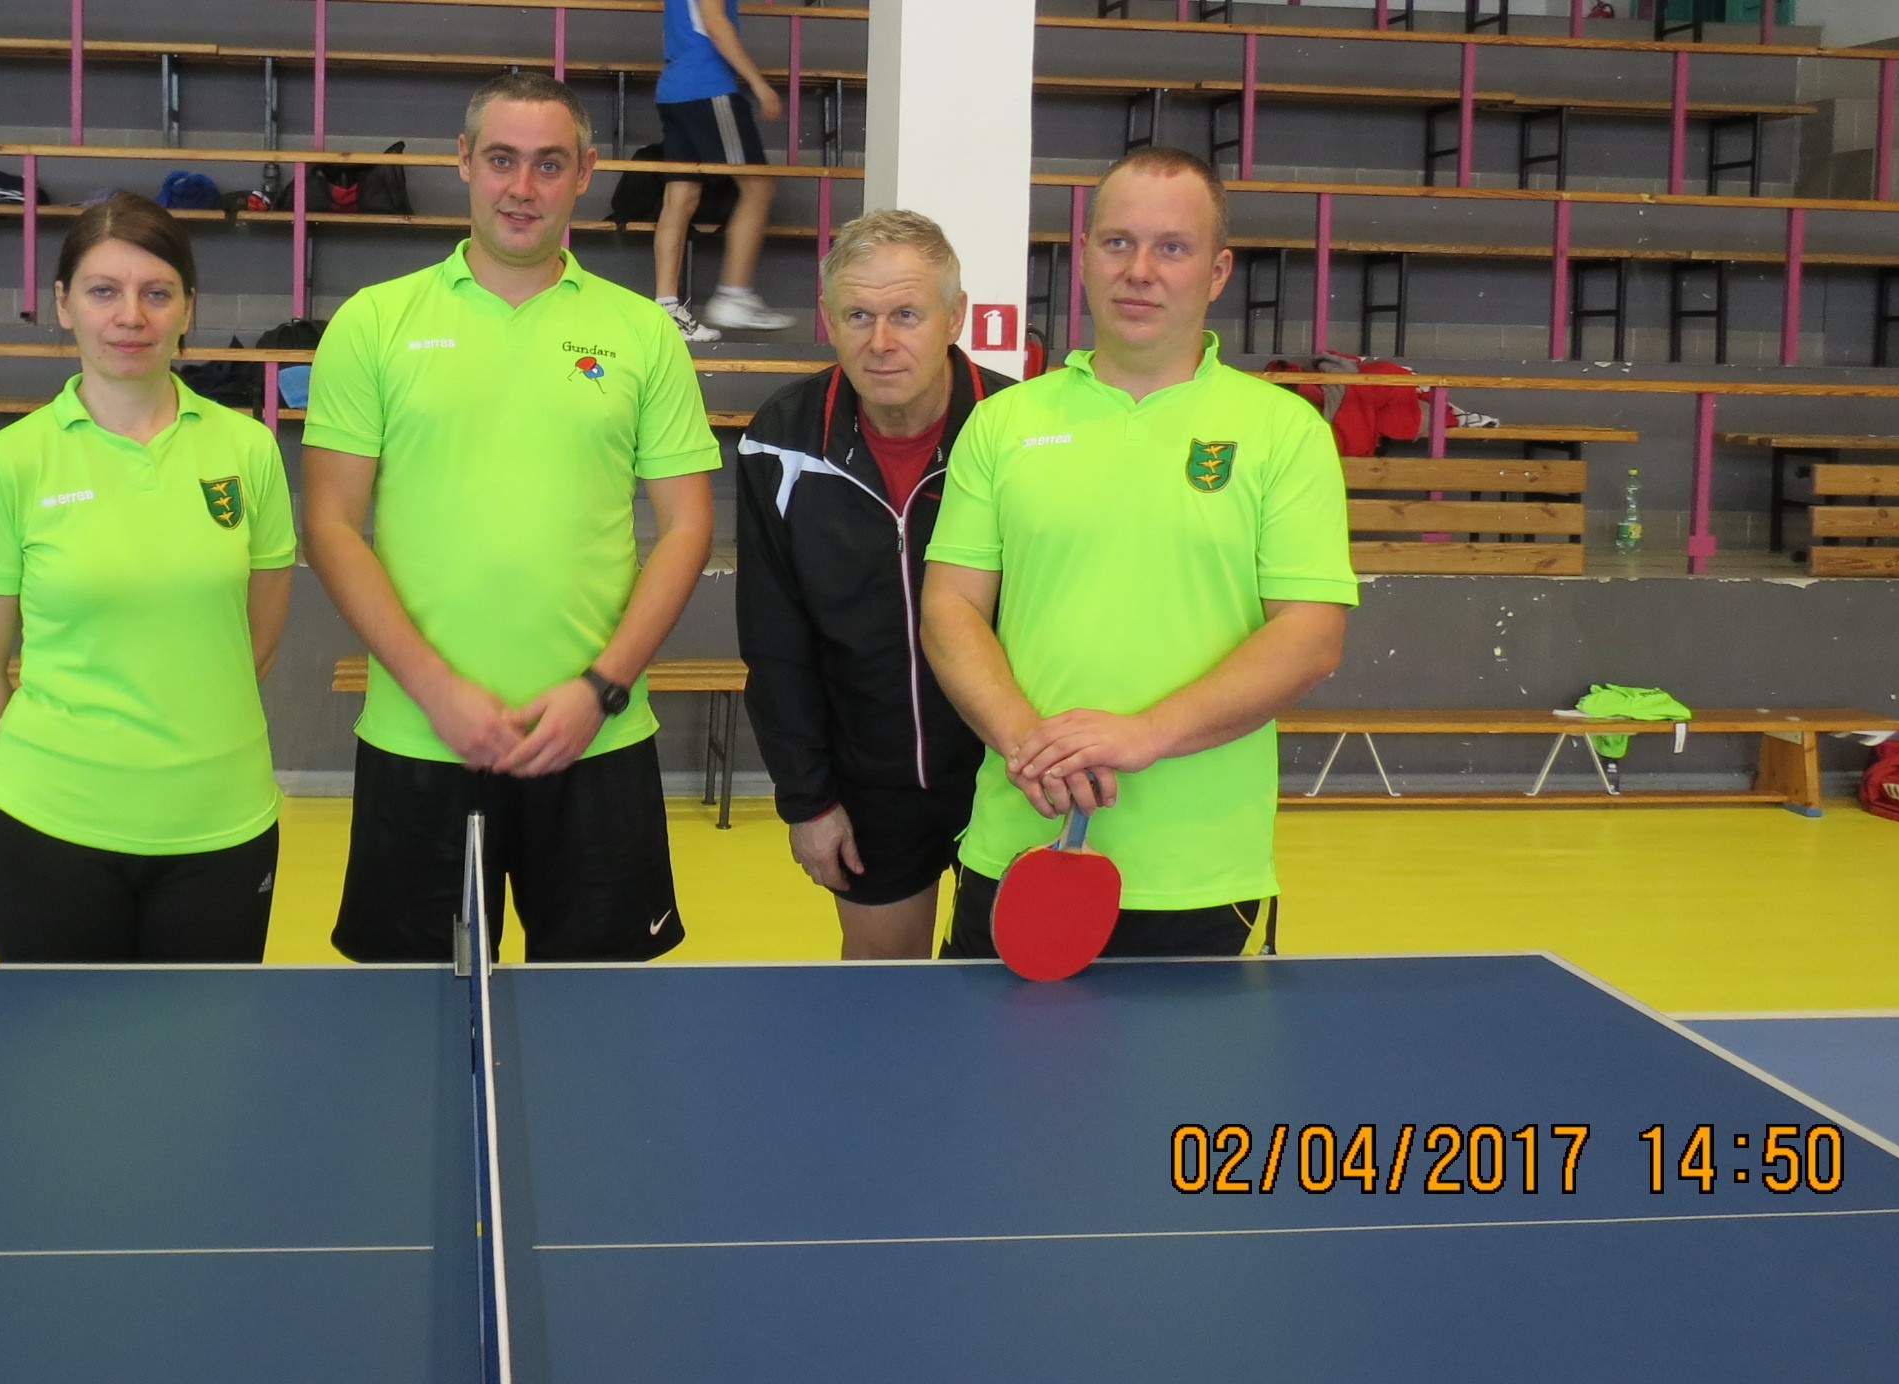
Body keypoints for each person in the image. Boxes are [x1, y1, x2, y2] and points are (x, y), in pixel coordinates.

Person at [303, 71, 720, 962]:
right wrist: (436, 690)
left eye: (548, 164)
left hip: (596, 738)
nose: (522, 187)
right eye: (501, 160)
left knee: (600, 1021)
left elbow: (688, 528)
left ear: (585, 173)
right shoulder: (375, 323)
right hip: (422, 740)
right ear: (464, 161)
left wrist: (600, 690)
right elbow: (330, 525)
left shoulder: (643, 333)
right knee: (415, 1016)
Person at [921, 146, 1355, 961]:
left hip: (1202, 874)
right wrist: (1027, 742)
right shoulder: (1005, 423)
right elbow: (949, 607)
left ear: (1218, 272)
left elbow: (1310, 635)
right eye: (1118, 242)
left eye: (1172, 248)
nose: (1140, 271)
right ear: (1084, 254)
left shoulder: (1286, 432)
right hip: (1018, 849)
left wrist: (1147, 733)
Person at [0, 193, 295, 965]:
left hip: (222, 826)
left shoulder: (249, 451)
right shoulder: (6, 465)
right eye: (103, 290)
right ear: (63, 304)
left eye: (156, 293)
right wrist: (44, 782)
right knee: (67, 1048)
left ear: (188, 308)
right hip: (50, 830)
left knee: (205, 1046)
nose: (130, 316)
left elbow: (256, 645)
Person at [736, 210, 1011, 959]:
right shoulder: (780, 439)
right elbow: (775, 641)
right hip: (869, 784)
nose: (881, 341)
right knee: (887, 1000)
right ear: (828, 320)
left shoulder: (1020, 430)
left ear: (955, 317)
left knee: (1016, 1005)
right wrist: (808, 800)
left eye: (906, 315)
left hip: (1011, 774)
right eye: (858, 315)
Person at [651, 0, 791, 341]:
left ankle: (666, 308)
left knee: (681, 198)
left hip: (674, 90)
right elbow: (713, 21)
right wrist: (758, 84)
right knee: (758, 186)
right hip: (707, 85)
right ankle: (733, 295)